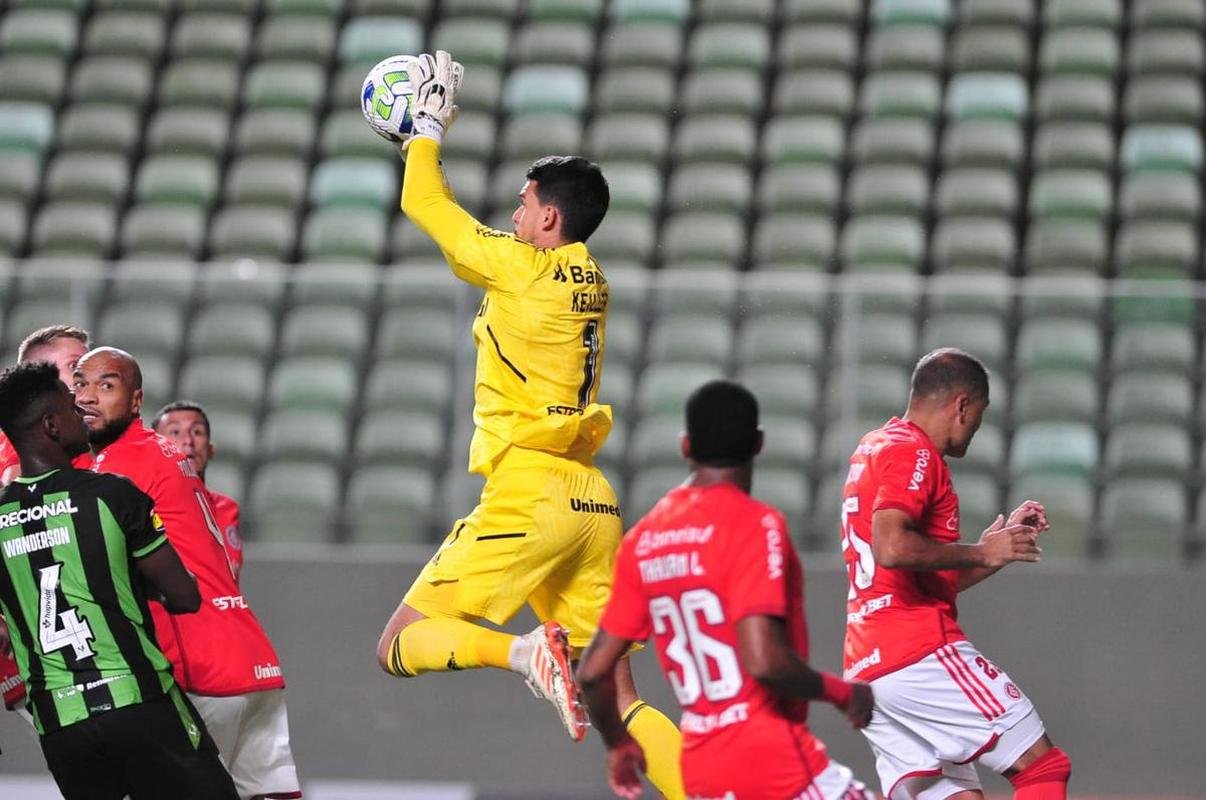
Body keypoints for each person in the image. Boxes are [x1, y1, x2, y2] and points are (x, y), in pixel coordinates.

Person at [369, 50, 684, 797]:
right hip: (591, 499)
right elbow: (470, 245)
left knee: (397, 643)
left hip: (531, 490)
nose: (512, 214)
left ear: (548, 214)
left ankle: (521, 657)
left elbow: (429, 211)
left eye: (522, 201)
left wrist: (425, 131)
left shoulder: (523, 267)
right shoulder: (589, 277)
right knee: (622, 697)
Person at [578, 380, 877, 800]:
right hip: (774, 764)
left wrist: (619, 743)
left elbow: (592, 672)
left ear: (685, 447)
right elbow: (764, 659)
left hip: (703, 773)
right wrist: (843, 692)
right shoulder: (755, 524)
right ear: (758, 444)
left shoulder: (642, 541)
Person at [0, 360, 237, 799]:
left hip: (60, 723)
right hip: (138, 699)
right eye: (72, 407)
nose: (82, 412)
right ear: (52, 425)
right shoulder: (111, 494)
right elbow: (184, 595)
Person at [840, 348, 1071, 799]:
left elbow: (913, 570)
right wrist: (982, 551)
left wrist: (990, 553)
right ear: (962, 405)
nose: (974, 431)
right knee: (1043, 767)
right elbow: (892, 548)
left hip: (869, 665)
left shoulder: (876, 445)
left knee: (953, 796)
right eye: (978, 417)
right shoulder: (914, 452)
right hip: (916, 650)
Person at [73, 347, 302, 800]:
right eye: (79, 384)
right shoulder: (165, 459)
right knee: (268, 794)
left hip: (200, 665)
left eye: (106, 385)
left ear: (136, 401)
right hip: (251, 659)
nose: (87, 397)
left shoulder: (121, 464)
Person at [0, 325, 93, 718]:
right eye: (75, 366)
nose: (83, 381)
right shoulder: (17, 454)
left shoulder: (71, 444)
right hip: (41, 646)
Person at [153, 401, 244, 582]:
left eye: (197, 432)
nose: (188, 441)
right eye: (175, 432)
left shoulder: (227, 509)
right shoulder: (143, 510)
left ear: (210, 450)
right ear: (154, 449)